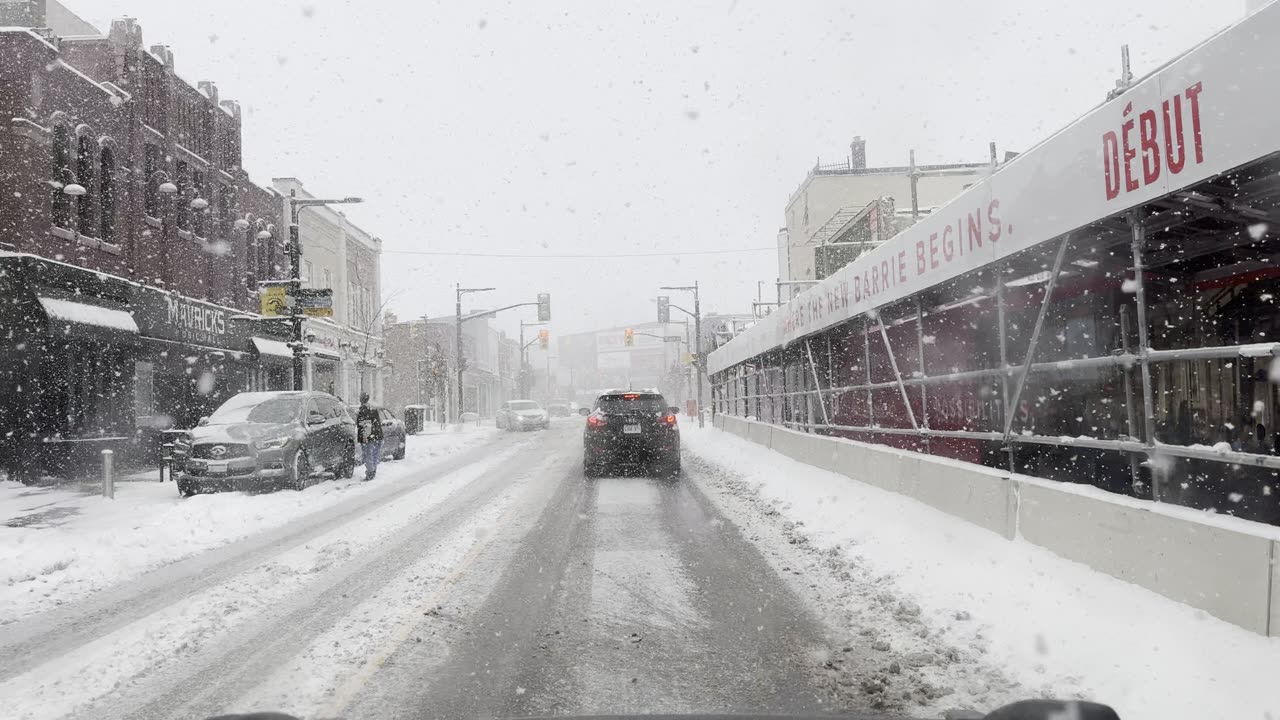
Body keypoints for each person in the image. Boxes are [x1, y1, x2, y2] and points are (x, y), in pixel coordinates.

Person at [355, 393, 383, 481]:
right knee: (374, 454)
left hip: (368, 435)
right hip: (377, 435)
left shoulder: (363, 410)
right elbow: (376, 422)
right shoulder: (373, 409)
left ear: (361, 399)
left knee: (368, 455)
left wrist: (365, 436)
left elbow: (364, 424)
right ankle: (373, 471)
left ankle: (370, 473)